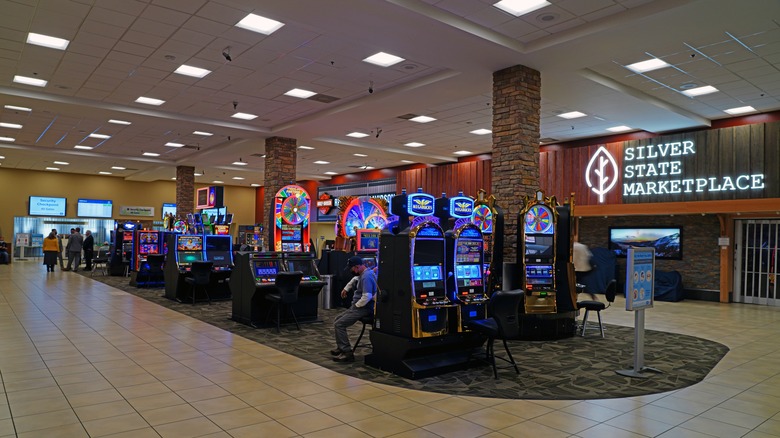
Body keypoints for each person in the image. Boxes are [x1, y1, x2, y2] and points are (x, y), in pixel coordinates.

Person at [331, 256, 377, 363]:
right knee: (337, 319)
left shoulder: (366, 277)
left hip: (363, 309)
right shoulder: (365, 273)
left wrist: (356, 306)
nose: (351, 271)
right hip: (359, 307)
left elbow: (367, 296)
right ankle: (341, 347)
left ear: (357, 267)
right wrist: (347, 288)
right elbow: (355, 279)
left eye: (351, 269)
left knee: (339, 324)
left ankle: (347, 352)